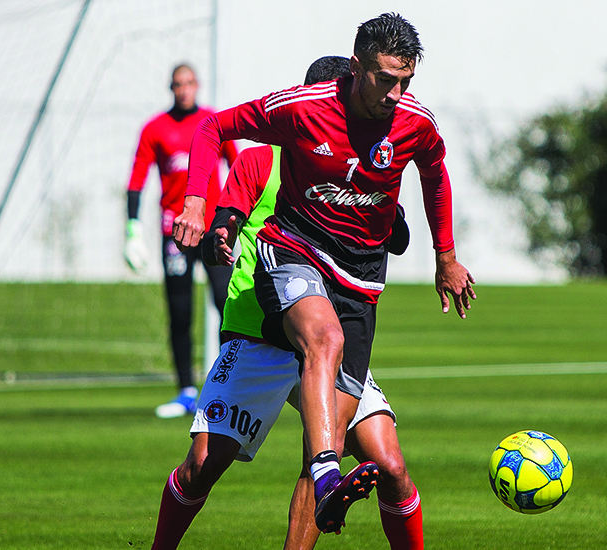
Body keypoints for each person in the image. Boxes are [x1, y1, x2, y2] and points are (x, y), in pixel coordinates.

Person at [173, 13, 476, 533]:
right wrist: (202, 206)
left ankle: (325, 476)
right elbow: (214, 131)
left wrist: (444, 256)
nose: (395, 94)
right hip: (275, 294)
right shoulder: (289, 125)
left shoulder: (413, 123)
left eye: (406, 82)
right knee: (210, 461)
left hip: (357, 284)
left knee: (386, 465)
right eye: (386, 79)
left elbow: (430, 178)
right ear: (356, 70)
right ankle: (325, 475)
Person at [150, 57, 423, 550]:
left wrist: (386, 208)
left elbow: (398, 234)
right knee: (200, 468)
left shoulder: (356, 170)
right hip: (258, 334)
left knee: (390, 465)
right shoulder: (259, 159)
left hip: (322, 339)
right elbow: (226, 217)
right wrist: (219, 234)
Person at [125, 63, 239, 418]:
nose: (184, 89)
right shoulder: (155, 129)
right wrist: (132, 229)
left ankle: (229, 384)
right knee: (180, 311)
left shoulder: (213, 123)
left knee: (227, 305)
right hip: (174, 233)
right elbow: (137, 179)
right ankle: (186, 391)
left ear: (197, 85)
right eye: (178, 84)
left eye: (189, 83)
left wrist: (238, 218)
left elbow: (239, 169)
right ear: (170, 88)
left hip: (213, 229)